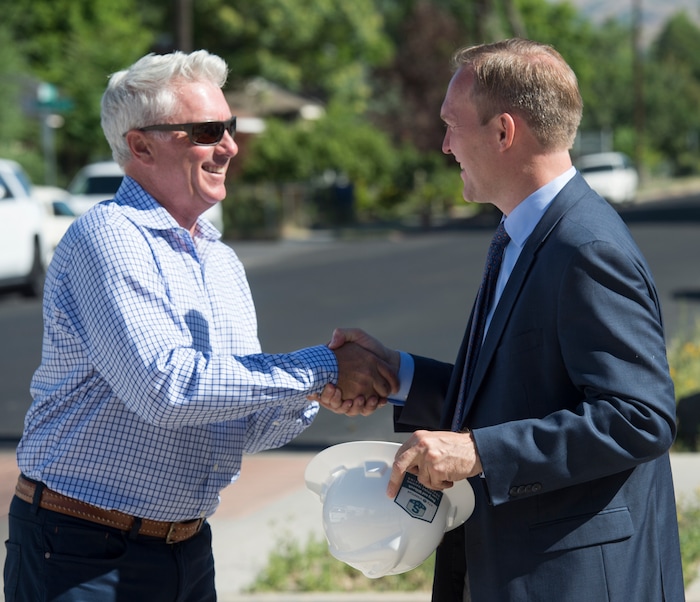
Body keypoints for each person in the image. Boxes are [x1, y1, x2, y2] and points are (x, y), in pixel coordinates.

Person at [3, 50, 396, 602]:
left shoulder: (220, 260)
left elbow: (234, 429)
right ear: (140, 145)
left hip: (185, 550)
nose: (230, 145)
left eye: (229, 127)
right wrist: (323, 366)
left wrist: (319, 392)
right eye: (208, 131)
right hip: (82, 552)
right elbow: (168, 391)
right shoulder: (110, 236)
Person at [318, 38, 685, 601]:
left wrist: (477, 453)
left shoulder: (585, 247)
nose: (443, 146)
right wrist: (399, 375)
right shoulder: (523, 233)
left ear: (504, 132)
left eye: (451, 125)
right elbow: (514, 395)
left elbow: (640, 417)